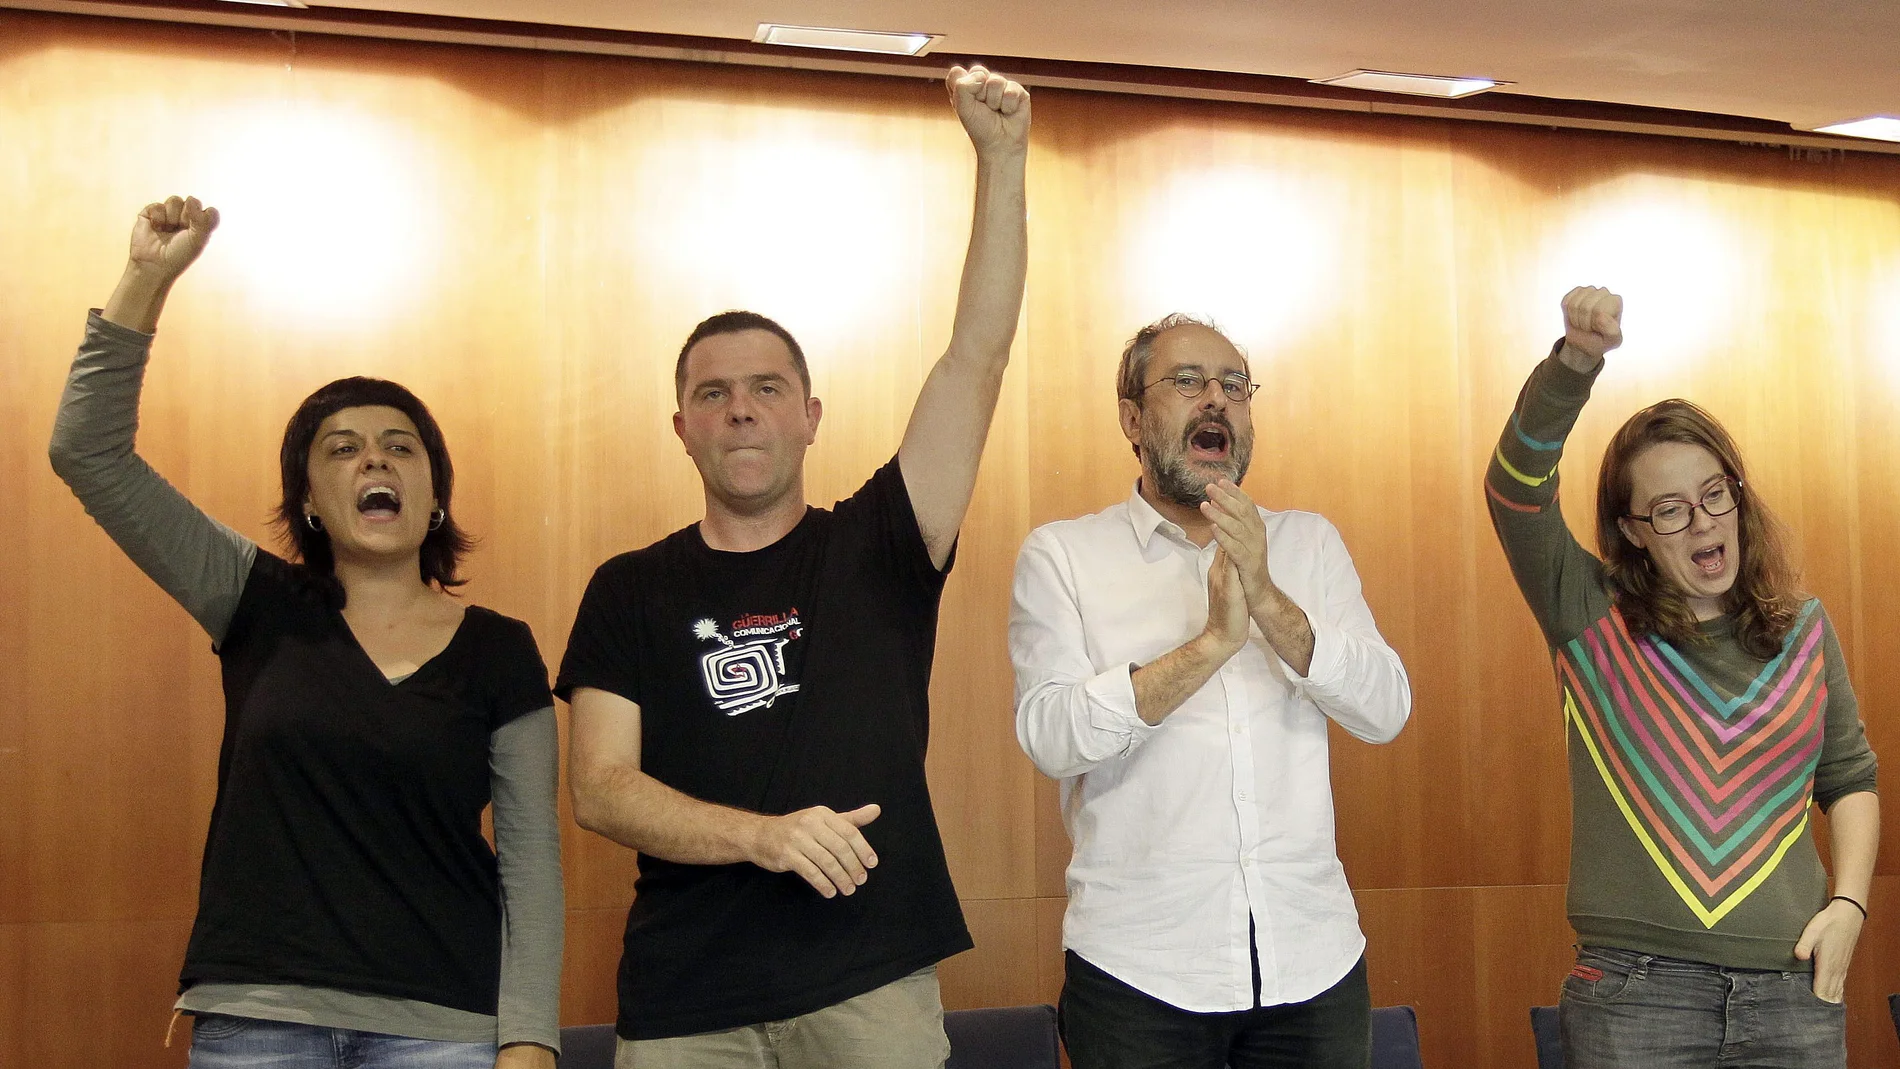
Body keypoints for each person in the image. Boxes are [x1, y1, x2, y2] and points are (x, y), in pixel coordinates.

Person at [557, 64, 1028, 1068]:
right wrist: (762, 837)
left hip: (868, 982)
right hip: (687, 1003)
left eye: (767, 387)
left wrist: (1002, 158)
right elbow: (599, 787)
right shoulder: (628, 589)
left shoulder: (881, 546)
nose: (740, 407)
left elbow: (975, 356)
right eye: (714, 392)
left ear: (808, 416)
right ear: (680, 425)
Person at [48, 196, 564, 1069]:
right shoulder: (254, 597)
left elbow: (531, 865)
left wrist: (530, 1042)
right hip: (258, 1019)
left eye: (401, 447)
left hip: (444, 1028)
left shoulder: (499, 648)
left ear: (435, 494)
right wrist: (145, 278)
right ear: (311, 504)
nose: (374, 460)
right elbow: (87, 452)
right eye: (343, 448)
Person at [1485, 286, 1880, 1069]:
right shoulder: (1589, 615)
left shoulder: (1804, 630)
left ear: (1737, 494)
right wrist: (1576, 363)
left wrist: (1849, 905)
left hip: (1793, 986)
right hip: (1638, 995)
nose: (1702, 522)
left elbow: (1850, 777)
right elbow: (1514, 493)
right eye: (1668, 510)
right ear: (1631, 531)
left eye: (1713, 494)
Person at [1009, 313, 1412, 1069]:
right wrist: (1212, 647)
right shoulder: (1064, 554)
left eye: (1234, 385)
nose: (1217, 401)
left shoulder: (1309, 543)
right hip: (1139, 969)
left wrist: (1268, 599)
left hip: (1311, 959)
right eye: (1188, 382)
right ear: (1133, 417)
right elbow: (1052, 735)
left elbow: (1386, 707)